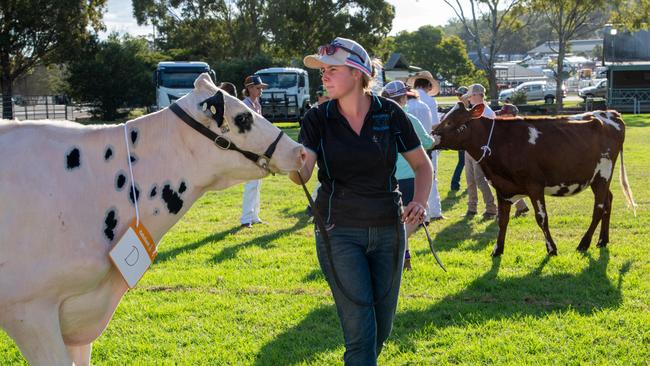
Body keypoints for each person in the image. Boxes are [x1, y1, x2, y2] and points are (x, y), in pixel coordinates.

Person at [289, 37, 433, 365]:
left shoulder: (391, 114)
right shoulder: (317, 118)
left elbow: (422, 166)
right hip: (338, 232)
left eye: (332, 70)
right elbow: (302, 174)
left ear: (356, 72)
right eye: (322, 70)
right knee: (361, 335)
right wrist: (294, 164)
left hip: (389, 232)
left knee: (381, 331)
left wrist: (420, 202)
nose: (323, 76)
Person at [382, 80, 434, 271]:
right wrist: (437, 139)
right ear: (403, 98)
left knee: (400, 221)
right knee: (413, 219)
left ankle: (405, 260)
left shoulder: (378, 121)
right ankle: (398, 248)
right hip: (411, 176)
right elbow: (427, 143)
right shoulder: (409, 119)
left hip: (389, 178)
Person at [407, 71, 444, 222]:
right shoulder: (429, 101)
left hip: (408, 145)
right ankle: (433, 212)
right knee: (431, 177)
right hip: (427, 142)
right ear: (428, 85)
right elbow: (435, 125)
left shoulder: (407, 103)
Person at [462, 84, 497, 219]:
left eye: (470, 96)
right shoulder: (473, 110)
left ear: (477, 95)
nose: (469, 99)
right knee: (470, 180)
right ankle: (472, 208)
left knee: (480, 179)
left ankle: (491, 208)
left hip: (480, 152)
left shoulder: (487, 112)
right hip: (470, 150)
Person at [239, 75, 268, 228]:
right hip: (249, 149)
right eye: (258, 88)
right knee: (251, 183)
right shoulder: (244, 105)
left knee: (257, 183)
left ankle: (254, 215)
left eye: (261, 88)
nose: (260, 91)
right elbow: (245, 130)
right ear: (249, 88)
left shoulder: (257, 103)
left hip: (258, 148)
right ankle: (245, 219)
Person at [495, 103, 529, 217]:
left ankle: (503, 213)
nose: (501, 116)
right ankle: (521, 207)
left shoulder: (518, 126)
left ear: (511, 114)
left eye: (504, 114)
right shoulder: (507, 125)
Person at [450, 86, 468, 191]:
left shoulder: (460, 106)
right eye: (458, 95)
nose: (459, 97)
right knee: (463, 162)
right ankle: (454, 184)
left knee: (463, 162)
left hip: (464, 139)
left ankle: (455, 184)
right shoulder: (458, 107)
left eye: (460, 95)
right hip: (463, 139)